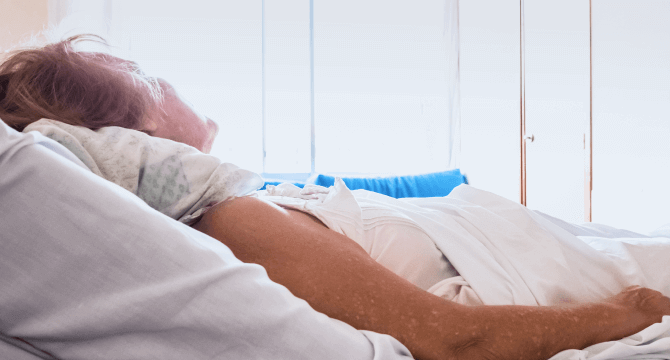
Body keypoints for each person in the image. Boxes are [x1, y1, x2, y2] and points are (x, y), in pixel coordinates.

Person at [2, 35, 669, 360]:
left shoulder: (243, 204)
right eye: (151, 77)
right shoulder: (229, 222)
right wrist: (635, 310)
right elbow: (456, 340)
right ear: (136, 134)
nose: (173, 83)